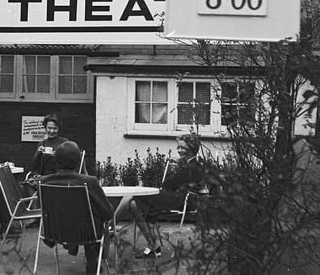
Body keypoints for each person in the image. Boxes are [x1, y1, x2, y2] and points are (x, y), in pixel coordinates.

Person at [116, 133, 205, 258]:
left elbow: (167, 183)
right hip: (175, 197)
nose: (179, 150)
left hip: (178, 200)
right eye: (178, 147)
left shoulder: (190, 167)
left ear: (191, 149)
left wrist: (177, 166)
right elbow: (169, 184)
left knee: (133, 194)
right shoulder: (190, 165)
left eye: (182, 148)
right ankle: (154, 246)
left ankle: (109, 226)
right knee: (133, 204)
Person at [40, 141, 113, 275]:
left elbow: (45, 210)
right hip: (87, 232)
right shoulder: (89, 182)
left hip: (56, 232)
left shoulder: (45, 181)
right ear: (78, 161)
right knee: (95, 220)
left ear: (55, 160)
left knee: (84, 220)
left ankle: (74, 247)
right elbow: (107, 213)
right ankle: (94, 263)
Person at [28, 114, 69, 178]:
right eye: (49, 128)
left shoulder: (64, 142)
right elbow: (34, 166)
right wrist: (38, 153)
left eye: (55, 128)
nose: (52, 131)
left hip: (58, 178)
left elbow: (69, 163)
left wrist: (58, 155)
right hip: (44, 178)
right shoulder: (42, 143)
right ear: (45, 128)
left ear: (58, 129)